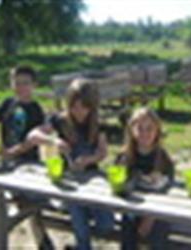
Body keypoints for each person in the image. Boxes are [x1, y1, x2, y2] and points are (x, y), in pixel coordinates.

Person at [28, 78, 114, 250]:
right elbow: (32, 136)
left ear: (92, 106)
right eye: (74, 107)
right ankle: (82, 246)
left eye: (84, 107)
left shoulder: (97, 122)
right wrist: (53, 140)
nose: (79, 112)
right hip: (70, 183)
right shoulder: (59, 120)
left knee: (107, 225)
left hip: (93, 180)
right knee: (80, 223)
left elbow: (102, 153)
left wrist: (88, 160)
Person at [0, 65, 53, 250]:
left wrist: (12, 152)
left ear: (34, 85)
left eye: (25, 83)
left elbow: (32, 141)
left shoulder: (36, 110)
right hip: (8, 162)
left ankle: (40, 238)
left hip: (29, 163)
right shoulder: (8, 103)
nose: (21, 87)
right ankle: (41, 239)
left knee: (31, 202)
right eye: (17, 82)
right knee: (8, 196)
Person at [116, 107, 174, 250]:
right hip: (133, 208)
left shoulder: (163, 158)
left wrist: (150, 217)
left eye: (149, 128)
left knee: (159, 229)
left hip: (157, 211)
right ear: (132, 131)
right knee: (127, 225)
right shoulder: (125, 156)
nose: (144, 133)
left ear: (157, 131)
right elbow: (118, 186)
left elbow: (169, 193)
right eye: (140, 128)